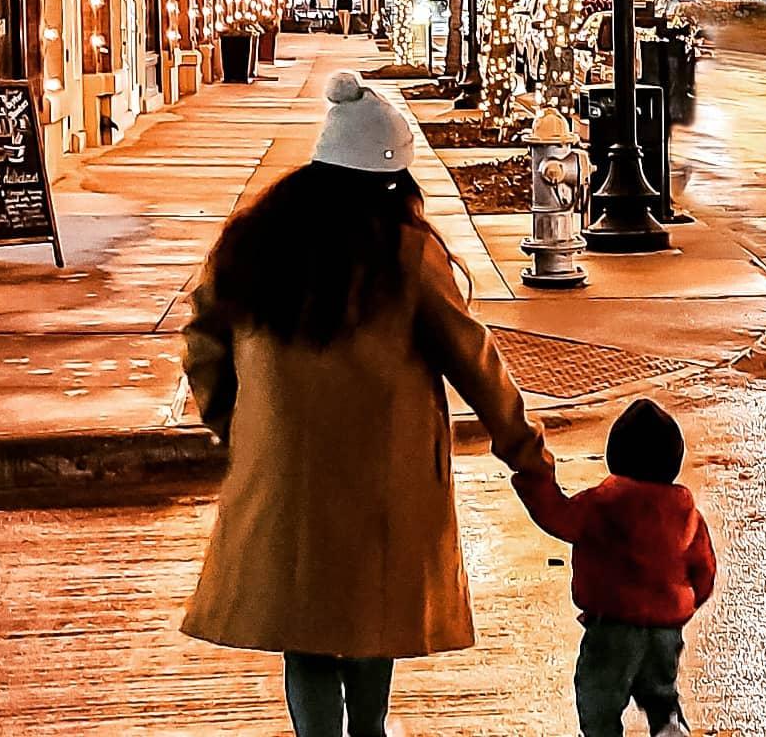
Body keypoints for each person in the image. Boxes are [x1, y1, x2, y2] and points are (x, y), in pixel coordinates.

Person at [181, 71, 552, 737]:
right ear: (392, 180)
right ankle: (370, 730)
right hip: (384, 479)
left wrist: (237, 428)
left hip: (284, 473)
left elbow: (203, 343)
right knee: (370, 615)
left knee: (306, 625)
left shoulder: (253, 241)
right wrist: (525, 452)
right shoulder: (404, 253)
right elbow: (474, 358)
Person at [514, 398, 716, 737]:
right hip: (665, 630)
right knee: (661, 694)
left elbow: (559, 517)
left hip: (613, 628)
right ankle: (670, 728)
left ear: (616, 456)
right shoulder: (686, 513)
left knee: (599, 697)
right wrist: (684, 606)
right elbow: (704, 570)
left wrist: (534, 480)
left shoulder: (603, 504)